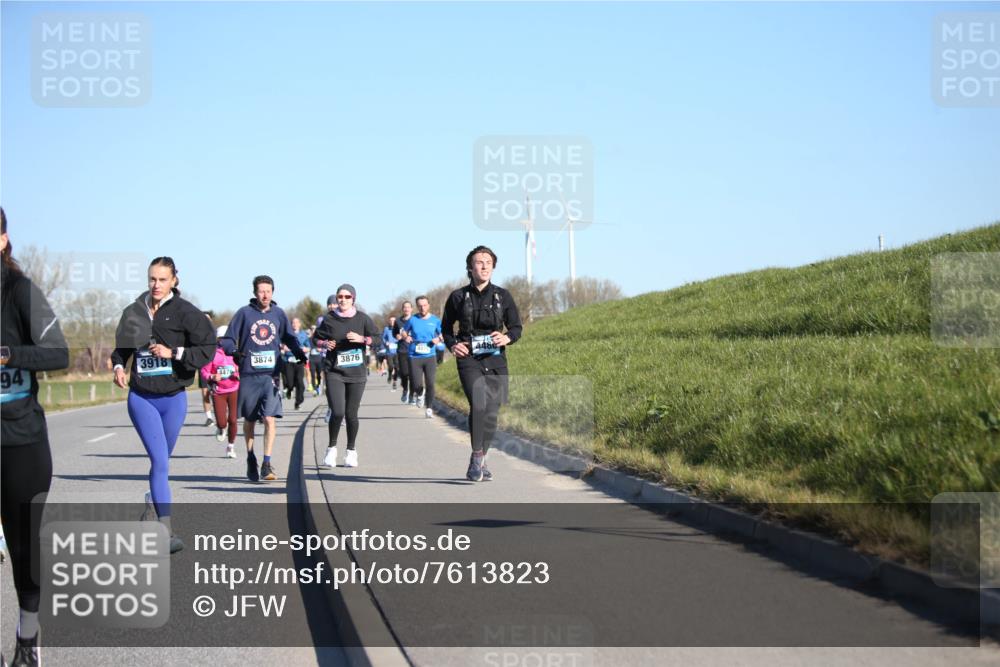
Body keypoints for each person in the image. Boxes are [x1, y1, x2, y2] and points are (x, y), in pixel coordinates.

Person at [1, 207, 69, 667]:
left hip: (19, 440)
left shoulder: (20, 291)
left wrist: (9, 355)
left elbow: (57, 352)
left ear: (3, 239)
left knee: (24, 548)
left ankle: (28, 637)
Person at [111, 256, 216, 549]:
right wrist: (118, 367)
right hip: (142, 396)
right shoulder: (133, 311)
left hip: (173, 398)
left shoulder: (186, 312)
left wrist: (175, 353)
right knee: (159, 461)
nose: (156, 285)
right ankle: (166, 531)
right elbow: (120, 350)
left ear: (174, 281)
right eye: (152, 279)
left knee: (163, 463)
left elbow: (208, 347)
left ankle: (153, 499)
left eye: (162, 280)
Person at [442, 246, 522, 482]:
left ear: (493, 267)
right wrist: (452, 344)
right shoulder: (457, 296)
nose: (484, 266)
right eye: (479, 262)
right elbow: (446, 328)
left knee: (492, 411)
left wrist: (507, 337)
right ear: (470, 267)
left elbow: (516, 327)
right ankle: (477, 458)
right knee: (479, 404)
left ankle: (481, 458)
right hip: (469, 357)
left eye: (488, 262)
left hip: (496, 357)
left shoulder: (503, 296)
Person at [221, 276, 307, 482]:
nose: (265, 295)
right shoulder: (244, 313)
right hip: (249, 374)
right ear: (254, 293)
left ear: (273, 292)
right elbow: (228, 339)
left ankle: (267, 463)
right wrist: (233, 351)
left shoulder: (278, 314)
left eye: (268, 291)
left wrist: (298, 352)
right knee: (250, 420)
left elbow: (288, 337)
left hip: (271, 375)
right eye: (261, 291)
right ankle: (251, 457)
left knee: (269, 418)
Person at [313, 284, 377, 468]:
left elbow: (377, 338)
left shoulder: (363, 319)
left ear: (353, 298)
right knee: (338, 411)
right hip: (335, 372)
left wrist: (363, 340)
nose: (343, 300)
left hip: (356, 374)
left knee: (351, 414)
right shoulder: (329, 319)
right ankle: (331, 449)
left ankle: (351, 451)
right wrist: (324, 343)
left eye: (347, 297)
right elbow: (315, 339)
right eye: (340, 296)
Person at [200, 325, 240, 458]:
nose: (224, 342)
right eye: (221, 339)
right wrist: (211, 376)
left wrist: (240, 373)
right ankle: (221, 428)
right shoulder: (213, 354)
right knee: (223, 422)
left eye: (227, 339)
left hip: (234, 389)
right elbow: (204, 371)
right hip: (219, 392)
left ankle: (230, 447)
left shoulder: (236, 352)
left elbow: (243, 367)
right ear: (217, 340)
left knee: (233, 420)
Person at [401, 296, 443, 419]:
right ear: (417, 306)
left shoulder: (435, 320)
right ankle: (420, 393)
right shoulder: (413, 319)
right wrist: (405, 337)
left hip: (430, 355)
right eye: (419, 305)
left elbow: (443, 333)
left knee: (430, 383)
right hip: (414, 355)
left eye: (424, 305)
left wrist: (438, 338)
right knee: (415, 384)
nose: (422, 308)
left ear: (428, 305)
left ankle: (429, 408)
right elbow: (403, 331)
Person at [280, 317, 309, 410]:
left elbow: (309, 347)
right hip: (288, 361)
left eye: (296, 322)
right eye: (293, 323)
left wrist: (306, 349)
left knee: (300, 383)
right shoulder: (287, 334)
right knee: (290, 382)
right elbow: (281, 344)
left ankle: (298, 402)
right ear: (291, 324)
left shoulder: (304, 335)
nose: (295, 324)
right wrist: (283, 347)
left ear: (300, 324)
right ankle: (289, 389)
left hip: (299, 361)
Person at [392, 301, 414, 404]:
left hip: (414, 350)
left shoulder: (415, 320)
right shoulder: (398, 321)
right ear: (402, 309)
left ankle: (412, 394)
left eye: (408, 307)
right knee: (404, 373)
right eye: (404, 307)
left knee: (414, 374)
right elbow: (394, 333)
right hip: (402, 350)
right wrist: (397, 336)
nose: (406, 309)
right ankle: (405, 390)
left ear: (412, 309)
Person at [197, 312, 216, 427]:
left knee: (220, 391)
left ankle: (222, 412)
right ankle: (209, 417)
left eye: (208, 319)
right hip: (203, 365)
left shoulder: (216, 333)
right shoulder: (196, 333)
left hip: (216, 365)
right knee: (205, 392)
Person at [382, 315, 398, 390]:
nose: (392, 322)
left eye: (393, 320)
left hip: (397, 351)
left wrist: (398, 342)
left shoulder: (399, 329)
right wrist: (386, 343)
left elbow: (402, 337)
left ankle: (394, 381)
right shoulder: (386, 329)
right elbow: (383, 338)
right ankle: (389, 375)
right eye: (391, 320)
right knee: (391, 366)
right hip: (389, 352)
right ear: (389, 321)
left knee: (396, 367)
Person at [308, 324, 324, 396]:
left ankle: (319, 386)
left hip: (319, 358)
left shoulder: (320, 338)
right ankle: (315, 389)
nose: (313, 330)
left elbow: (325, 346)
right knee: (312, 374)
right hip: (312, 359)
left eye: (314, 329)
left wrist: (321, 349)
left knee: (319, 374)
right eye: (312, 329)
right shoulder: (309, 339)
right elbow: (306, 347)